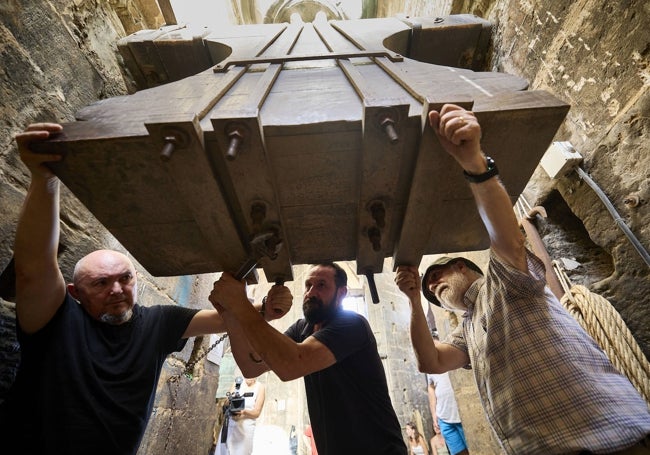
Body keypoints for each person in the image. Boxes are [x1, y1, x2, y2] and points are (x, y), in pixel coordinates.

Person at [0, 123, 293, 455]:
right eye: (100, 283)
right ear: (74, 292)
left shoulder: (157, 323)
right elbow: (33, 265)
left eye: (125, 277)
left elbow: (221, 320)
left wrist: (265, 309)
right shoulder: (56, 319)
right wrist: (44, 180)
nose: (117, 289)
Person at [394, 104, 650, 454]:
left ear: (465, 268)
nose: (434, 286)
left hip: (609, 442)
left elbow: (505, 238)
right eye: (431, 293)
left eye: (438, 275)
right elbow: (431, 362)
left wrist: (474, 163)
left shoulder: (503, 282)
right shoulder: (467, 329)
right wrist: (411, 299)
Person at [209, 262, 408, 454]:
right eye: (308, 285)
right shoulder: (301, 329)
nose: (311, 292)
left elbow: (292, 364)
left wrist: (240, 304)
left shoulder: (352, 325)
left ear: (342, 293)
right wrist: (230, 316)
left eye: (321, 285)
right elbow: (251, 366)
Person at [215, 376, 265, 455]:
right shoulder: (237, 382)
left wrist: (244, 412)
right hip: (230, 424)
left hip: (246, 429)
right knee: (225, 451)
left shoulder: (260, 387)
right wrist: (230, 401)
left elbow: (257, 413)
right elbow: (226, 403)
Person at [426, 372, 468, 455]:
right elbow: (431, 387)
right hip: (443, 417)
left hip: (462, 413)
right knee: (458, 453)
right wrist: (434, 413)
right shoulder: (429, 366)